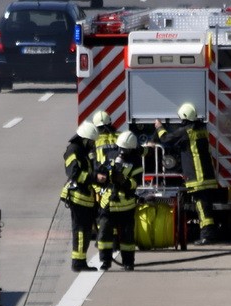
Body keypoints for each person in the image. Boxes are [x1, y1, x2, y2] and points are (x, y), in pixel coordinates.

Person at [154, 102, 220, 245]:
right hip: (207, 175)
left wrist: (159, 128)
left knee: (202, 207)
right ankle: (209, 234)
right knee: (206, 206)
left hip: (198, 177)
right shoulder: (202, 130)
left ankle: (207, 236)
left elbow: (166, 139)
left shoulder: (185, 132)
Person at [95, 130, 143, 271]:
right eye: (120, 148)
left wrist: (124, 181)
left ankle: (128, 263)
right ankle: (105, 261)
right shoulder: (110, 156)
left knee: (127, 238)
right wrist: (103, 177)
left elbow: (135, 183)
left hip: (126, 206)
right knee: (104, 235)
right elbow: (100, 172)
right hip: (108, 204)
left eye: (125, 150)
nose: (122, 152)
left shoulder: (135, 162)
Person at [60, 120, 101, 272]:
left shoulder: (82, 150)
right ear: (85, 139)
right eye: (91, 141)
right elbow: (74, 174)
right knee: (81, 231)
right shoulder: (73, 150)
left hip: (84, 197)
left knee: (85, 230)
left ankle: (80, 261)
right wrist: (94, 178)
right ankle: (78, 263)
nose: (92, 144)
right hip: (78, 198)